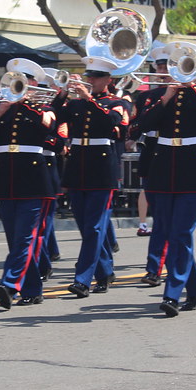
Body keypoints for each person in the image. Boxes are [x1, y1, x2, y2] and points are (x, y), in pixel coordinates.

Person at [134, 43, 196, 316]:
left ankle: (172, 294)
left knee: (181, 233)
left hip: (195, 168)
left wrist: (190, 88)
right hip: (163, 167)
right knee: (171, 233)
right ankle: (193, 288)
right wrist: (166, 98)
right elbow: (142, 125)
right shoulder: (158, 95)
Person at [0, 59, 57, 309]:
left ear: (33, 84)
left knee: (24, 238)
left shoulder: (43, 109)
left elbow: (50, 131)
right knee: (16, 239)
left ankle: (10, 284)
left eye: (23, 80)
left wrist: (26, 103)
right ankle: (32, 290)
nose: (18, 84)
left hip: (32, 180)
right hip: (5, 179)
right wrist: (0, 111)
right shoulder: (2, 109)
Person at [55, 56, 130, 298]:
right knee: (86, 226)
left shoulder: (117, 102)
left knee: (95, 227)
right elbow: (55, 117)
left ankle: (83, 279)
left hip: (101, 168)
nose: (91, 80)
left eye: (96, 77)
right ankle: (105, 271)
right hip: (77, 166)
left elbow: (112, 124)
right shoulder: (75, 103)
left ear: (108, 80)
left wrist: (89, 100)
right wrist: (63, 93)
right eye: (89, 76)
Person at [128, 45, 171, 287]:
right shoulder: (146, 97)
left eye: (167, 67)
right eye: (160, 67)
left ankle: (172, 265)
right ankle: (154, 267)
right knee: (160, 217)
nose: (163, 72)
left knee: (172, 220)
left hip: (177, 157)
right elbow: (135, 128)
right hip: (153, 155)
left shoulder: (191, 94)